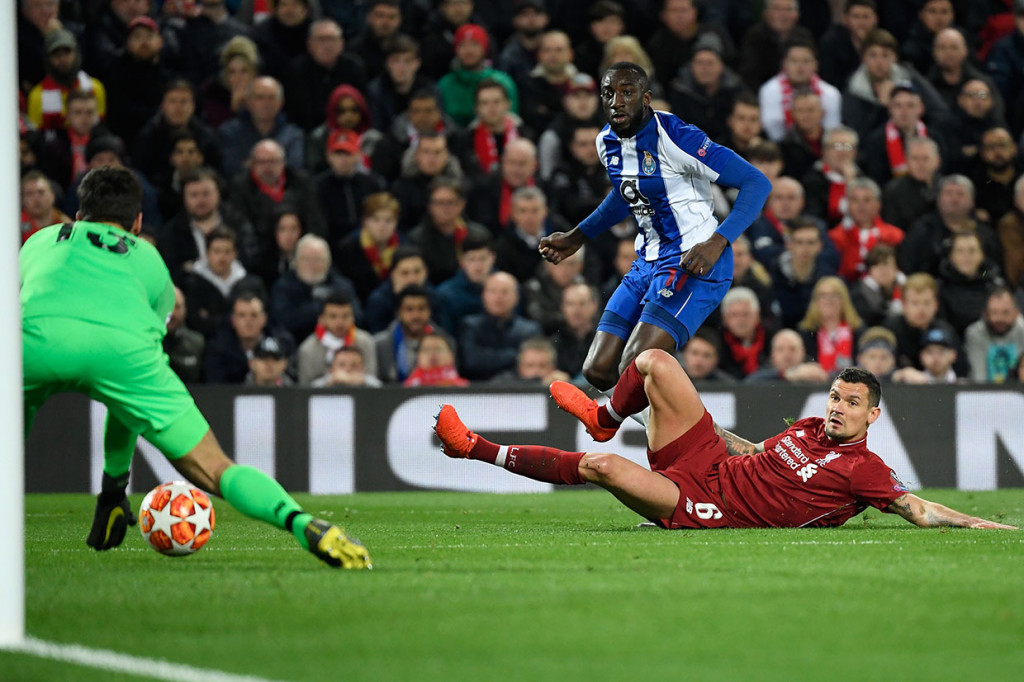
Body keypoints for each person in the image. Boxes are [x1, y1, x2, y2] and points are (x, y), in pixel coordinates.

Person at [21, 166, 371, 568]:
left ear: (78, 215)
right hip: (124, 355)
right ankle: (305, 523)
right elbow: (127, 399)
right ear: (136, 222)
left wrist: (113, 490)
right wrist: (114, 486)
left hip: (33, 345)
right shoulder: (149, 259)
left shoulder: (40, 240)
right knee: (218, 469)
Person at [435, 353, 1016, 530]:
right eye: (836, 397)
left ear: (874, 415)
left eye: (851, 403)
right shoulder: (808, 430)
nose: (837, 408)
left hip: (710, 506)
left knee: (601, 467)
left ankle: (473, 449)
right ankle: (609, 413)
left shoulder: (863, 469)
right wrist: (696, 429)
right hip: (709, 462)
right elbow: (753, 454)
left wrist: (989, 527)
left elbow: (918, 508)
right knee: (657, 362)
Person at [537, 62, 771, 391]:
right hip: (647, 263)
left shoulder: (676, 137)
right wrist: (577, 236)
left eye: (627, 93)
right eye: (608, 94)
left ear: (646, 99)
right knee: (598, 371)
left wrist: (717, 242)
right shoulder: (605, 142)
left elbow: (756, 183)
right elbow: (626, 195)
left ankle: (642, 424)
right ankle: (680, 424)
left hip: (694, 260)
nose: (616, 102)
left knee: (635, 366)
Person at [296, 290, 377, 386]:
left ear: (353, 318)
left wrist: (358, 379)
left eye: (345, 316)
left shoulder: (365, 342)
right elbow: (304, 388)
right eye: (333, 316)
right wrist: (331, 379)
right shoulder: (308, 349)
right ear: (321, 319)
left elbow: (374, 382)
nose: (340, 322)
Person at [964, 287, 1024, 383]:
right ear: (986, 314)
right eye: (994, 312)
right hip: (985, 393)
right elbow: (979, 379)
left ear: (1016, 314)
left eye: (1006, 312)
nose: (999, 318)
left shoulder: (1022, 330)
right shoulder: (974, 334)